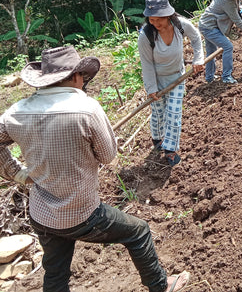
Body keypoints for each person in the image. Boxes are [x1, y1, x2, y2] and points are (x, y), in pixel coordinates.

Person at [0, 46, 190, 292]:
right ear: (76, 76)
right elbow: (109, 156)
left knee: (56, 275)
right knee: (139, 232)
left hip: (42, 214)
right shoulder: (86, 109)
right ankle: (160, 285)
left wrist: (17, 173)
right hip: (82, 213)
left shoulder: (16, 112)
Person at [138, 0, 205, 167]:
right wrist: (151, 88)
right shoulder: (146, 35)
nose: (155, 22)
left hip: (178, 76)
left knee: (174, 115)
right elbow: (146, 64)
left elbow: (196, 39)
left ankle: (170, 149)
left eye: (159, 18)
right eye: (151, 19)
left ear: (168, 14)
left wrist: (198, 59)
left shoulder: (181, 25)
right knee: (158, 113)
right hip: (157, 79)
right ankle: (157, 139)